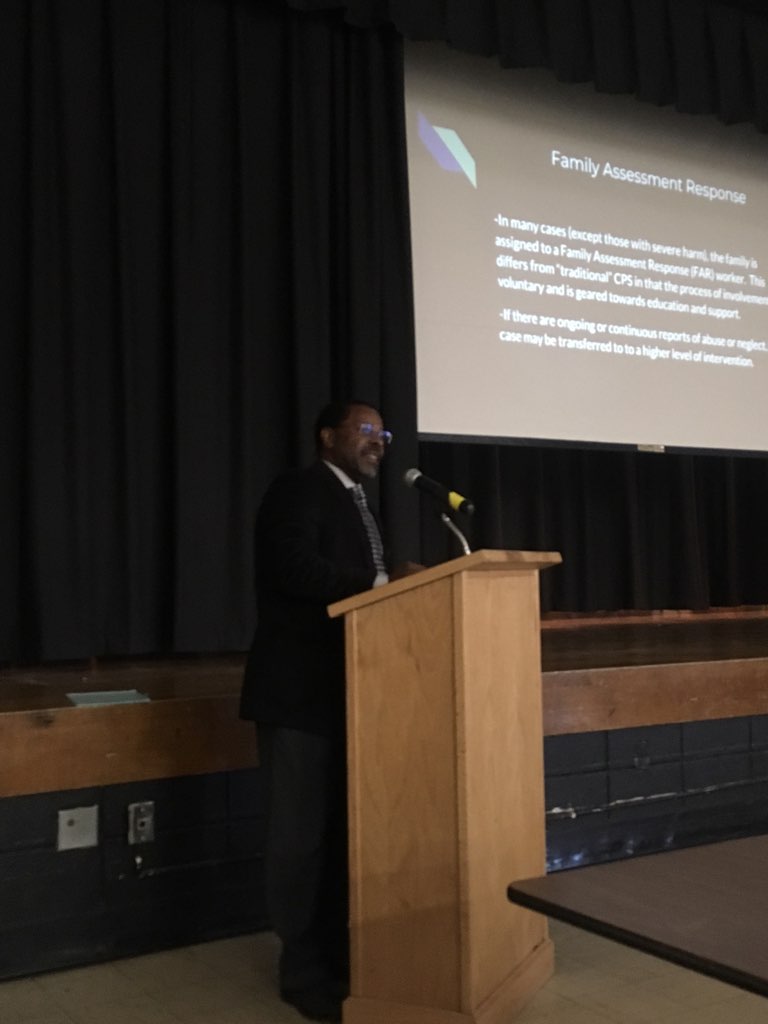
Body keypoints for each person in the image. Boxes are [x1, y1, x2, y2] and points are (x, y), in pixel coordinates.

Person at [240, 400, 417, 1023]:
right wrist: (379, 586)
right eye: (365, 430)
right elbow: (293, 569)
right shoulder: (298, 490)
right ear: (327, 436)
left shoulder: (357, 502)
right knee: (298, 836)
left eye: (383, 433)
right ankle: (301, 969)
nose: (378, 442)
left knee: (337, 831)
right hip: (296, 692)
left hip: (348, 691)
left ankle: (340, 954)